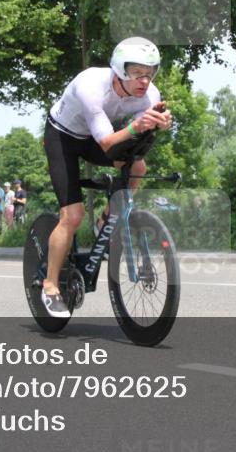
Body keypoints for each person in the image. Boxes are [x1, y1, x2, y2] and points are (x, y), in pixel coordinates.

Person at [40, 36, 172, 318]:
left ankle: (106, 219)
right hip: (62, 137)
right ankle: (49, 284)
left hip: (91, 136)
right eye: (137, 74)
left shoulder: (150, 95)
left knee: (138, 167)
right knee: (73, 216)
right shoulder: (91, 86)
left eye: (149, 74)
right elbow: (108, 143)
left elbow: (135, 140)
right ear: (120, 70)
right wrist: (138, 125)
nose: (144, 81)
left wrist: (157, 125)